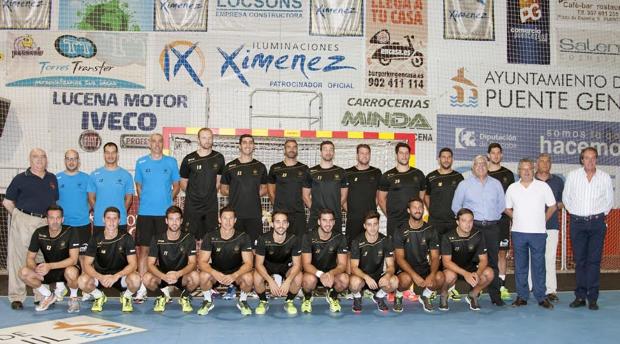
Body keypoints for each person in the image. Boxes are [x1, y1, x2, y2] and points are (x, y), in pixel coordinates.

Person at [3, 148, 58, 310]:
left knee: (41, 258)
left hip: (44, 223)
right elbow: (7, 202)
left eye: (42, 157)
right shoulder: (20, 178)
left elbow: (54, 202)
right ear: (30, 160)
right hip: (23, 220)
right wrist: (19, 217)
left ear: (46, 159)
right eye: (35, 157)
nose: (39, 160)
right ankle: (16, 296)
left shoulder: (52, 178)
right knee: (18, 258)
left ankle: (41, 295)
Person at [563, 147, 614, 310]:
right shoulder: (573, 176)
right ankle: (580, 296)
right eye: (587, 158)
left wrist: (596, 216)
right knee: (580, 261)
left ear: (596, 160)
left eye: (593, 158)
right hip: (577, 223)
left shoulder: (605, 177)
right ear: (581, 159)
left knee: (594, 261)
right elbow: (566, 198)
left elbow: (609, 201)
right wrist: (577, 215)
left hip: (597, 223)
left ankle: (592, 298)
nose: (590, 161)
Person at [452, 155, 506, 306]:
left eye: (483, 163)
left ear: (487, 166)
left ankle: (496, 296)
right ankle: (473, 295)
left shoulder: (496, 184)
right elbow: (456, 206)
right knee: (475, 262)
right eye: (477, 164)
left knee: (493, 262)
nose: (480, 166)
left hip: (492, 227)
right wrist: (466, 223)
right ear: (472, 167)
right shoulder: (464, 184)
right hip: (473, 228)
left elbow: (502, 206)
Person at [134, 133, 181, 302]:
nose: (156, 144)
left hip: (164, 215)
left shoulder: (171, 162)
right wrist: (145, 200)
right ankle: (141, 289)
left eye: (159, 141)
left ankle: (166, 289)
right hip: (146, 214)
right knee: (144, 252)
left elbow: (176, 185)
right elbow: (138, 185)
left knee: (164, 253)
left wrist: (169, 201)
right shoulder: (141, 162)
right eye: (153, 141)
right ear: (149, 144)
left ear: (163, 143)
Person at [505, 158, 556, 309]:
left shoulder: (543, 186)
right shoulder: (512, 188)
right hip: (518, 233)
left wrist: (543, 219)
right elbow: (507, 208)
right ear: (518, 170)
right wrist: (518, 218)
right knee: (520, 266)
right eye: (523, 169)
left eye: (529, 169)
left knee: (539, 266)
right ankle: (522, 296)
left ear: (533, 170)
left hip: (538, 233)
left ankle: (541, 297)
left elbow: (552, 206)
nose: (526, 171)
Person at [78, 207, 141, 313]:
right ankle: (99, 296)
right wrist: (100, 277)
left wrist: (116, 276)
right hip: (101, 277)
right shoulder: (95, 238)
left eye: (114, 218)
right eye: (108, 218)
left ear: (119, 220)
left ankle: (126, 297)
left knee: (136, 280)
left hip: (121, 277)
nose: (111, 222)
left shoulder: (126, 238)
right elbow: (87, 264)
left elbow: (133, 264)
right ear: (103, 220)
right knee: (82, 281)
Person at [19, 205, 80, 312]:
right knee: (23, 272)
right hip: (49, 270)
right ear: (46, 219)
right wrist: (35, 270)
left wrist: (50, 266)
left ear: (62, 219)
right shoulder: (39, 232)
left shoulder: (71, 231)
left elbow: (73, 260)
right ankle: (48, 295)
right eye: (51, 218)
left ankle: (74, 298)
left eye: (58, 218)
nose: (55, 221)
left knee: (71, 271)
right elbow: (30, 257)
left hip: (66, 268)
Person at [197, 206, 254, 316]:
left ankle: (242, 301)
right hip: (217, 271)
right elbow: (202, 262)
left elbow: (248, 263)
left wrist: (234, 275)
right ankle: (208, 301)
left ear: (235, 220)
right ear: (219, 219)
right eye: (224, 218)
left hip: (236, 272)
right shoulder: (210, 236)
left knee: (248, 277)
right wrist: (215, 273)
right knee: (203, 276)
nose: (228, 222)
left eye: (231, 218)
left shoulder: (243, 237)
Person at [425, 147, 464, 301]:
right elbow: (426, 197)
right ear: (439, 159)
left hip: (452, 223)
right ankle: (434, 286)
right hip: (435, 222)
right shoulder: (431, 177)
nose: (446, 159)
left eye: (449, 157)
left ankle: (451, 287)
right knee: (435, 256)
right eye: (443, 157)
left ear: (452, 159)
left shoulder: (458, 177)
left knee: (451, 256)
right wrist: (433, 211)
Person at [143, 206, 199, 313]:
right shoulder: (157, 238)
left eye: (177, 219)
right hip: (163, 276)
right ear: (166, 221)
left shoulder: (189, 238)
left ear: (181, 221)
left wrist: (178, 274)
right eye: (171, 219)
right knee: (146, 278)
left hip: (181, 275)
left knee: (196, 277)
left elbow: (192, 263)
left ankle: (185, 297)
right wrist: (163, 276)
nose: (174, 223)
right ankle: (161, 297)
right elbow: (150, 264)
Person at [393, 197, 444, 313]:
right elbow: (399, 258)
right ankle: (399, 295)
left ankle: (426, 295)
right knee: (405, 279)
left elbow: (435, 257)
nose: (418, 210)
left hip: (425, 268)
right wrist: (414, 275)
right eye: (414, 207)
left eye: (420, 207)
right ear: (408, 210)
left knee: (440, 277)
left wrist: (432, 274)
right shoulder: (400, 230)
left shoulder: (431, 230)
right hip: (406, 270)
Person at [440, 208, 494, 311]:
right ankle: (443, 294)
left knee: (489, 273)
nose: (467, 224)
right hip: (453, 270)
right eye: (464, 221)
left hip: (471, 269)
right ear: (457, 222)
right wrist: (465, 274)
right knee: (449, 275)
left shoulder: (478, 235)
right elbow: (446, 262)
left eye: (470, 221)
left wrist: (477, 274)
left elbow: (484, 260)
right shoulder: (447, 237)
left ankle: (473, 294)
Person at [179, 128, 225, 242]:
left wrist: (208, 194)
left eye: (210, 138)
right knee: (189, 240)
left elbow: (218, 181)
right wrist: (194, 195)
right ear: (198, 140)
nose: (207, 140)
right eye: (204, 137)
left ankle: (206, 261)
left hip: (210, 207)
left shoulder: (219, 158)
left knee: (210, 240)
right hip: (192, 207)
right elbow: (183, 183)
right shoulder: (188, 159)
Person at [253, 210, 303, 315]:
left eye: (284, 222)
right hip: (268, 266)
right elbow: (258, 264)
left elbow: (297, 265)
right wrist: (270, 281)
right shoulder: (263, 239)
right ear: (272, 224)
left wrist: (288, 281)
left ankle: (289, 301)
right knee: (257, 277)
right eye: (277, 222)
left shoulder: (294, 239)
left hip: (286, 266)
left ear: (288, 224)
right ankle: (263, 301)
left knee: (298, 277)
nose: (281, 225)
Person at [221, 134, 268, 242]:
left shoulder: (260, 166)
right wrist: (238, 194)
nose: (248, 145)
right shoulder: (230, 167)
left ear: (254, 146)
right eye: (245, 142)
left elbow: (264, 188)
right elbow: (223, 190)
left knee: (254, 248)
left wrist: (251, 194)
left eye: (250, 142)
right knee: (235, 246)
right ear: (240, 146)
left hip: (254, 215)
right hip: (235, 215)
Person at [301, 208, 349, 313]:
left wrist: (331, 273)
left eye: (330, 220)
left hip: (331, 275)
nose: (328, 224)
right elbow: (306, 264)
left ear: (334, 222)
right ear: (319, 222)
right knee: (308, 280)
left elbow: (342, 265)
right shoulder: (308, 237)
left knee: (344, 279)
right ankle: (308, 298)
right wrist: (320, 274)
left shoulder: (340, 238)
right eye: (324, 220)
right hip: (314, 274)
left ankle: (332, 296)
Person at [349, 211, 397, 313]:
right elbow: (353, 267)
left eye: (375, 224)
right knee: (353, 283)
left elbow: (391, 266)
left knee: (394, 281)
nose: (373, 227)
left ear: (378, 224)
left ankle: (379, 296)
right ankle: (357, 297)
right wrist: (366, 278)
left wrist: (387, 275)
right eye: (369, 224)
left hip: (377, 277)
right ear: (364, 226)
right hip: (361, 277)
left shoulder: (385, 240)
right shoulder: (356, 242)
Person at [533, 153, 564, 302]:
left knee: (549, 258)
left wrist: (556, 205)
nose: (545, 164)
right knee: (532, 257)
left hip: (551, 226)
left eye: (548, 161)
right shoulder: (529, 180)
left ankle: (551, 290)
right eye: (542, 161)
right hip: (531, 226)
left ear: (550, 164)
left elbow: (563, 201)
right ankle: (531, 287)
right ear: (536, 164)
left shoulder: (558, 181)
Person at [378, 142, 426, 237]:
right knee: (394, 250)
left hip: (413, 221)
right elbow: (381, 199)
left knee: (413, 250)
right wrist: (390, 216)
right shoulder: (387, 176)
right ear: (396, 155)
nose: (404, 156)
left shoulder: (418, 174)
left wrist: (416, 214)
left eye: (406, 153)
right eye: (401, 153)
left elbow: (421, 198)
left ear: (409, 155)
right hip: (394, 222)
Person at [487, 143, 515, 301]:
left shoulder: (508, 174)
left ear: (501, 155)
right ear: (488, 155)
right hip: (485, 222)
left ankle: (502, 285)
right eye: (493, 153)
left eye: (498, 153)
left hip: (503, 221)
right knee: (484, 254)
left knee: (501, 253)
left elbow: (511, 198)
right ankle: (483, 285)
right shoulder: (482, 172)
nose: (496, 156)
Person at [87, 142, 134, 235]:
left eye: (113, 152)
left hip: (120, 222)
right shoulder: (94, 175)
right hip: (100, 222)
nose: (110, 155)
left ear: (117, 154)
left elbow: (129, 199)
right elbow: (91, 198)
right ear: (104, 154)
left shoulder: (126, 175)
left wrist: (120, 214)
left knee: (119, 249)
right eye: (107, 152)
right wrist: (100, 211)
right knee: (100, 249)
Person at [303, 141, 348, 233]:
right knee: (314, 245)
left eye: (331, 149)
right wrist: (316, 211)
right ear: (321, 152)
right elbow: (305, 195)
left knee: (335, 245)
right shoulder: (311, 172)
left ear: (334, 153)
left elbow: (344, 195)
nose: (328, 152)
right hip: (316, 217)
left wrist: (334, 208)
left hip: (335, 217)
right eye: (325, 149)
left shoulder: (341, 172)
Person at [267, 139, 309, 237]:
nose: (292, 149)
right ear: (284, 150)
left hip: (298, 213)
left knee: (300, 244)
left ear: (297, 150)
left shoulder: (304, 168)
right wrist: (278, 207)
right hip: (281, 214)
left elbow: (307, 192)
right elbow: (270, 190)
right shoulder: (275, 168)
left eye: (294, 147)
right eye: (289, 147)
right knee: (280, 242)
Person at [57, 149, 91, 265]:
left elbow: (91, 199)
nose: (71, 162)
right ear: (65, 160)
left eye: (74, 159)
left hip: (82, 224)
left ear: (78, 161)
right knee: (62, 255)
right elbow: (54, 201)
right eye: (68, 159)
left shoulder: (86, 178)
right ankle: (60, 281)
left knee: (83, 257)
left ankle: (83, 281)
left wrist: (83, 211)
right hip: (63, 225)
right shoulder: (57, 178)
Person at [344, 144, 381, 245]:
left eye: (367, 153)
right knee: (351, 248)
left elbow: (379, 196)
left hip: (370, 220)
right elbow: (342, 197)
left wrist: (371, 210)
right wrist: (352, 211)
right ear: (357, 156)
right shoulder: (347, 173)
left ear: (370, 155)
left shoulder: (376, 172)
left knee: (370, 248)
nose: (365, 155)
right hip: (353, 220)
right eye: (362, 153)